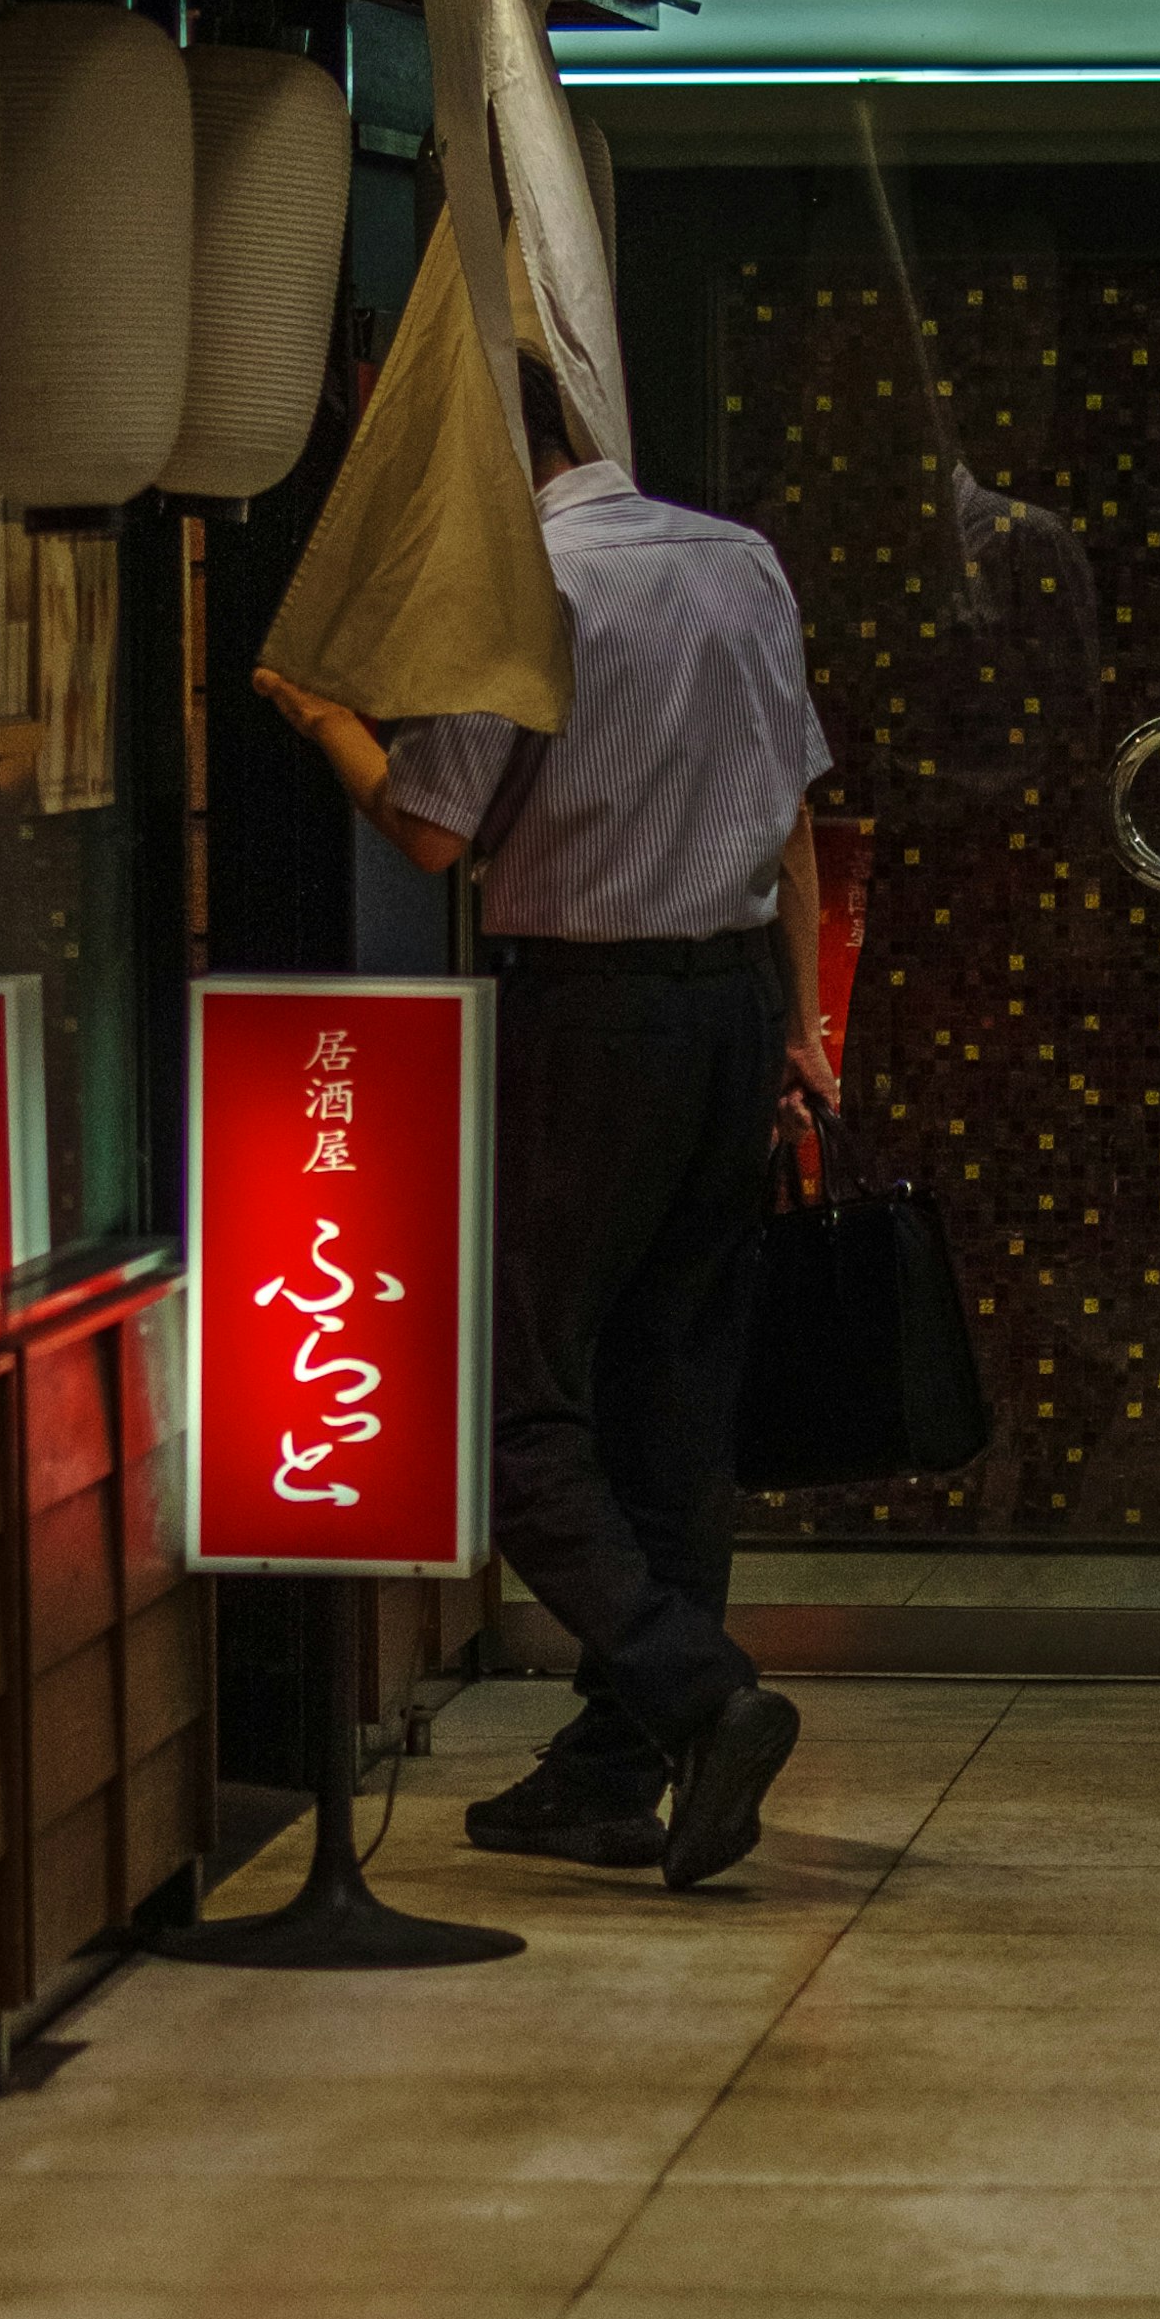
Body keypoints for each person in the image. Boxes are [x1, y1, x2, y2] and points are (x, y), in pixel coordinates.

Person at [255, 355, 834, 1891]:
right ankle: (606, 1768)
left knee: (502, 1397)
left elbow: (434, 826)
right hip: (728, 1016)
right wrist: (804, 1023)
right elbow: (792, 811)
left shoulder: (532, 584)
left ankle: (697, 1694)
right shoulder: (740, 557)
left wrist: (322, 717)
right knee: (672, 1398)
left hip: (592, 1019)